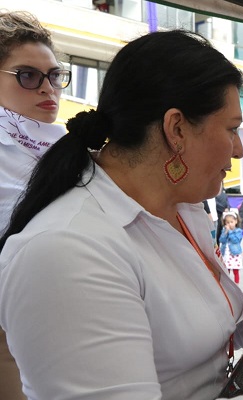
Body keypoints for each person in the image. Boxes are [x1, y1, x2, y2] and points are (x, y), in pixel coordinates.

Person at [0, 30, 243, 400]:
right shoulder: (65, 250)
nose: (238, 150)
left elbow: (181, 317)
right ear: (177, 128)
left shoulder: (183, 209)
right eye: (232, 129)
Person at [0, 11, 69, 400]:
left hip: (58, 321)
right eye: (28, 75)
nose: (48, 88)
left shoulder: (61, 146)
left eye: (54, 75)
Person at [220, 212, 243, 284]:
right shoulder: (224, 230)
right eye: (227, 222)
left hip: (234, 254)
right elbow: (221, 240)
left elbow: (236, 240)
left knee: (235, 270)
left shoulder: (238, 231)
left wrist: (230, 232)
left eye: (231, 222)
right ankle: (227, 284)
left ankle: (236, 283)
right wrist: (225, 232)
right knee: (226, 269)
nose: (229, 224)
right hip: (226, 253)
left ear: (236, 221)